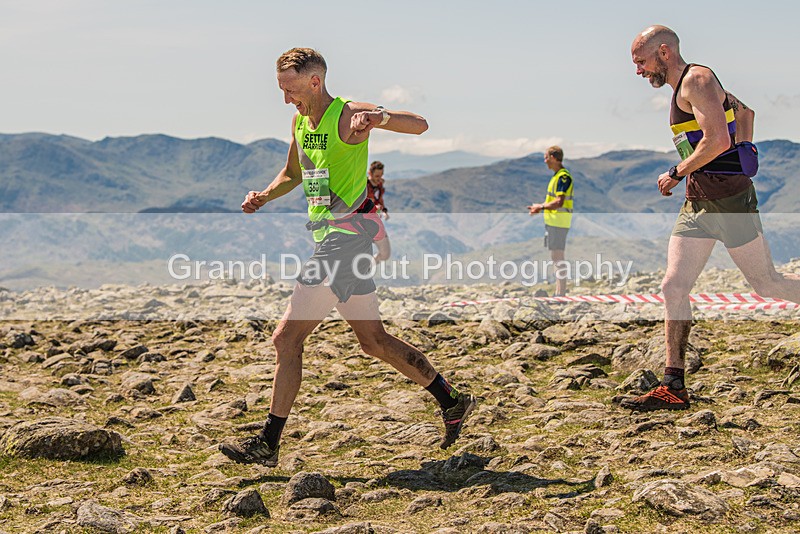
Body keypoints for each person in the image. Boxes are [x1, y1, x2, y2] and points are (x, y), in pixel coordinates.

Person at [218, 48, 476, 466]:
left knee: (286, 338)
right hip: (332, 240)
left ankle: (267, 443)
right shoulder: (301, 121)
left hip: (345, 242)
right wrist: (264, 195)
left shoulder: (347, 113)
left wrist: (381, 118)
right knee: (373, 341)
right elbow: (293, 173)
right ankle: (451, 399)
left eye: (291, 90)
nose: (286, 99)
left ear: (314, 82)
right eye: (282, 90)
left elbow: (421, 124)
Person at [622, 25, 800, 412]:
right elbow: (746, 112)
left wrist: (677, 171)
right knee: (673, 286)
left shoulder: (697, 79)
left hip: (731, 201)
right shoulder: (685, 87)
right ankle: (673, 383)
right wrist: (747, 145)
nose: (638, 70)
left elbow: (716, 140)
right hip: (699, 206)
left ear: (664, 52)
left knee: (766, 283)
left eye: (641, 61)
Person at [527, 146, 574, 297]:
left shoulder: (563, 177)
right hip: (555, 221)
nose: (545, 160)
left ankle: (561, 293)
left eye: (546, 157)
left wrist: (540, 207)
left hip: (559, 221)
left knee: (558, 256)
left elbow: (559, 202)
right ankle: (559, 291)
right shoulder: (556, 176)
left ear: (553, 157)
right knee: (555, 256)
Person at [367, 160, 391, 262]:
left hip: (376, 222)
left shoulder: (380, 185)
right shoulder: (362, 186)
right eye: (377, 176)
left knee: (385, 254)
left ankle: (368, 267)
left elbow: (379, 200)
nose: (379, 179)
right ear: (370, 173)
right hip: (363, 225)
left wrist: (384, 210)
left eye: (381, 175)